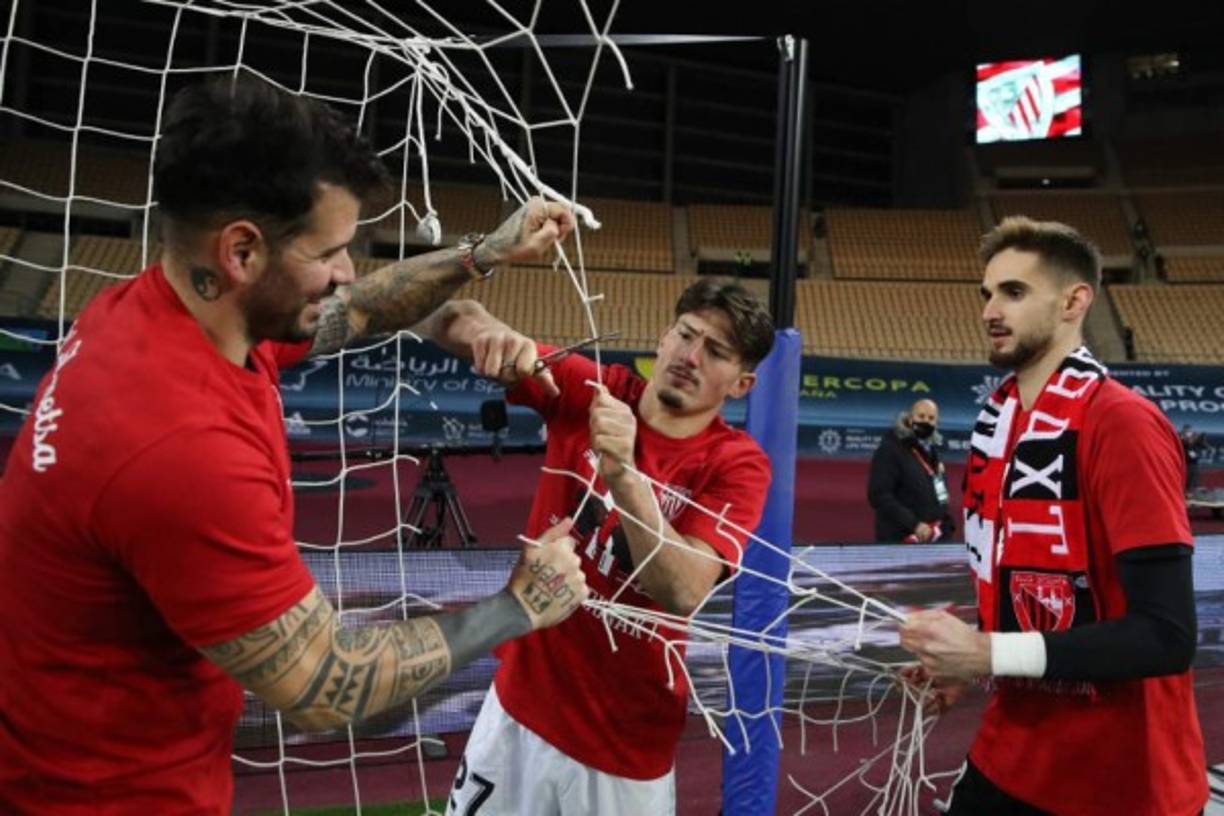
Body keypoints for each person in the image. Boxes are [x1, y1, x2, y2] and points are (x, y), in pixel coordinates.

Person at [0, 76, 590, 814]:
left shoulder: (167, 314)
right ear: (242, 250)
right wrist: (519, 605)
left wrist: (481, 257)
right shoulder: (179, 445)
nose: (346, 272)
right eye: (331, 250)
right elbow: (322, 683)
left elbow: (358, 310)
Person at [422, 278, 776, 815]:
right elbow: (444, 318)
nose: (691, 355)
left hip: (622, 740)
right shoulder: (595, 390)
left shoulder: (736, 463)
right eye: (686, 334)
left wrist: (624, 473)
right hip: (520, 705)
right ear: (662, 338)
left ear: (741, 384)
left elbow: (684, 588)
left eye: (717, 352)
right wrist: (489, 335)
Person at [899, 216, 1207, 816]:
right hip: (1009, 756)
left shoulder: (1122, 422)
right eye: (986, 293)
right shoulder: (1000, 423)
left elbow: (1167, 636)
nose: (991, 309)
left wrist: (988, 653)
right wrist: (970, 658)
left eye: (1014, 292)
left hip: (1123, 785)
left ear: (1074, 301)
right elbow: (1028, 591)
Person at [866, 398, 954, 542]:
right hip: (899, 541)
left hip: (932, 539)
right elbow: (879, 495)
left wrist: (946, 524)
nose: (925, 421)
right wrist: (915, 525)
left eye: (931, 418)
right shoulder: (890, 449)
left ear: (936, 423)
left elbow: (941, 494)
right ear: (910, 418)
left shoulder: (933, 452)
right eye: (921, 416)